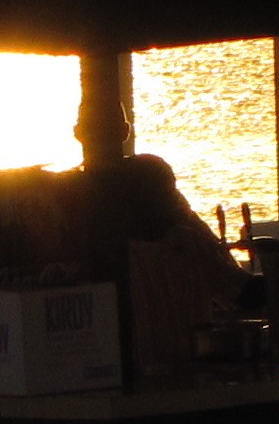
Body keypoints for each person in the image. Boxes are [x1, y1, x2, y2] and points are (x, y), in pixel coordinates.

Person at [103, 155, 251, 381]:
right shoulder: (110, 259)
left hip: (196, 382)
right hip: (140, 386)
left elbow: (241, 293)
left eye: (172, 189)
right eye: (164, 192)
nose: (175, 198)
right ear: (134, 198)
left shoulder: (192, 242)